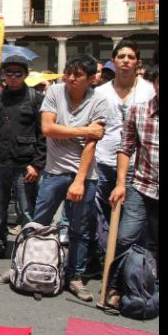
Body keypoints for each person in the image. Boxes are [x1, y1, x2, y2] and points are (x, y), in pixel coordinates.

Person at [30, 53, 108, 301]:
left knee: (80, 230)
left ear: (91, 79)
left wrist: (79, 180)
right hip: (54, 172)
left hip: (85, 175)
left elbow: (91, 146)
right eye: (68, 73)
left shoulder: (99, 101)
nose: (71, 78)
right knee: (38, 223)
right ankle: (26, 265)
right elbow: (47, 128)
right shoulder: (55, 92)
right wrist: (84, 130)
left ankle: (75, 276)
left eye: (78, 75)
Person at [0, 56, 46, 262]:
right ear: (3, 75)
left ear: (25, 75)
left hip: (25, 165)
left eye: (18, 73)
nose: (13, 77)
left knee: (26, 210)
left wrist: (37, 165)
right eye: (9, 73)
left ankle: (29, 250)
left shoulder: (36, 97)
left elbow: (43, 135)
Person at [93, 40, 154, 266]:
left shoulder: (148, 90)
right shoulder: (100, 92)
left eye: (130, 57)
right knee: (100, 214)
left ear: (138, 62)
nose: (126, 61)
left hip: (137, 166)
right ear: (114, 60)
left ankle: (129, 266)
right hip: (103, 161)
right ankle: (102, 258)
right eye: (121, 57)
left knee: (132, 221)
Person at [104, 65, 159, 308]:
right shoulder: (139, 111)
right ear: (154, 84)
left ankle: (148, 288)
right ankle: (116, 285)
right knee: (125, 238)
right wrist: (120, 184)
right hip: (142, 186)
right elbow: (126, 149)